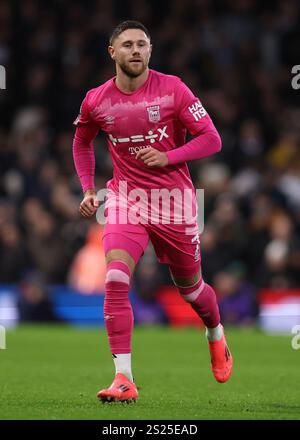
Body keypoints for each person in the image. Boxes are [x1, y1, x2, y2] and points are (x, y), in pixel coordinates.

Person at [72, 20, 233, 403]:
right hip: (125, 199)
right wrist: (88, 188)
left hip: (174, 203)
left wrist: (168, 156)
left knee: (192, 291)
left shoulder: (173, 89)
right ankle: (123, 379)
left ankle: (215, 333)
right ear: (113, 52)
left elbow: (212, 139)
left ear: (150, 50)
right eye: (127, 45)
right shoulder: (96, 100)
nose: (136, 51)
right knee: (114, 277)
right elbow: (81, 142)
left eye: (142, 45)